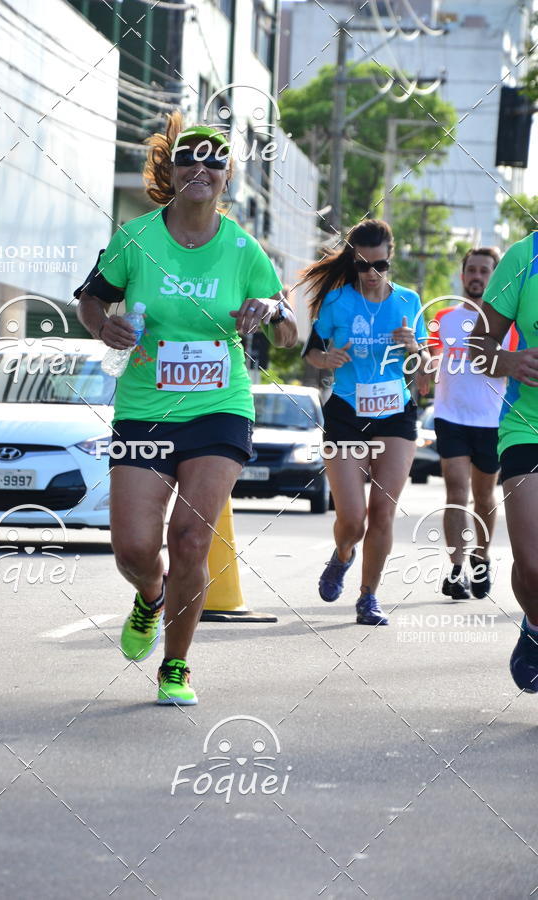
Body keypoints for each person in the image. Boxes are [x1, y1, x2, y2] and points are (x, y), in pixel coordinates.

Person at [76, 112, 297, 705]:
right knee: (133, 548)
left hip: (219, 407)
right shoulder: (135, 238)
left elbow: (289, 334)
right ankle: (150, 596)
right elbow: (90, 300)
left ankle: (176, 665)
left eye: (214, 160)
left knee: (191, 538)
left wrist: (271, 311)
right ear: (172, 172)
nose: (201, 168)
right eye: (188, 159)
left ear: (227, 176)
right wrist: (104, 327)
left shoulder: (244, 249)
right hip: (145, 407)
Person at [303, 219, 429, 625]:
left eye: (380, 265)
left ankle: (368, 596)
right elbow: (311, 352)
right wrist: (326, 359)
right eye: (363, 265)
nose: (372, 274)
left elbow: (426, 366)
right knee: (352, 519)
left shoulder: (408, 301)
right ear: (353, 263)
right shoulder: (337, 301)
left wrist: (415, 349)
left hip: (395, 415)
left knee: (382, 512)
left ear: (391, 259)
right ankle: (342, 555)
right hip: (346, 414)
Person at [469, 231, 538, 692]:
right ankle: (534, 624)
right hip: (528, 426)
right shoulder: (524, 256)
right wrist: (510, 361)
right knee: (533, 566)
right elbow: (480, 347)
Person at [428, 247, 517, 600]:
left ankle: (480, 560)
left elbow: (514, 364)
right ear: (463, 275)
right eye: (472, 270)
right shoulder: (444, 317)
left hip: (491, 420)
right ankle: (455, 570)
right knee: (455, 494)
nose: (477, 276)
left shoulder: (506, 324)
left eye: (485, 271)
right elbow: (430, 357)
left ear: (493, 277)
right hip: (450, 415)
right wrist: (425, 366)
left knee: (483, 497)